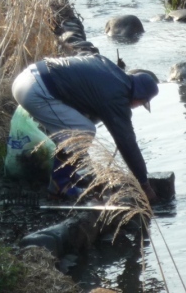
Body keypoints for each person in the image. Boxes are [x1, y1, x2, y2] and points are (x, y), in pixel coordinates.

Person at [11, 53, 159, 201]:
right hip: (36, 91)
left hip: (30, 76)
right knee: (83, 131)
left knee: (77, 127)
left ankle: (69, 175)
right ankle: (59, 187)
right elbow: (127, 142)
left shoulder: (113, 74)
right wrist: (144, 184)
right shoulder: (117, 97)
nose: (137, 106)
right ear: (138, 96)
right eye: (141, 103)